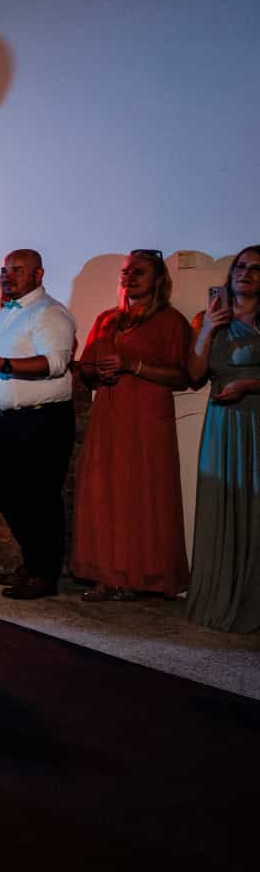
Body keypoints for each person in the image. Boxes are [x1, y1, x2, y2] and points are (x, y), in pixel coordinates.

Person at [73, 250, 192, 601]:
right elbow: (87, 369)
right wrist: (99, 371)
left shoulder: (171, 321)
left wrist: (133, 365)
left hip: (147, 420)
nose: (130, 277)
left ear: (157, 280)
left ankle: (145, 577)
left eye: (139, 272)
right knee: (105, 493)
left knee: (144, 495)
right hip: (109, 417)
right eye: (126, 272)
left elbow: (183, 375)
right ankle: (107, 575)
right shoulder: (107, 319)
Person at [0, 248, 78, 600]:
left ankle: (44, 576)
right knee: (9, 496)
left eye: (17, 270)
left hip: (39, 421)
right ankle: (32, 564)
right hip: (3, 421)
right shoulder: (7, 313)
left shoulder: (49, 313)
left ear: (39, 274)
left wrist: (3, 364)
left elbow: (56, 363)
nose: (8, 276)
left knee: (39, 499)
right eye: (4, 270)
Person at [185, 245, 260, 632]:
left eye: (255, 269)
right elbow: (195, 374)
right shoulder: (207, 317)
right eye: (241, 267)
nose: (245, 273)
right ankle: (217, 598)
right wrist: (209, 329)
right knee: (220, 505)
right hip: (221, 425)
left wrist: (249, 383)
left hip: (255, 419)